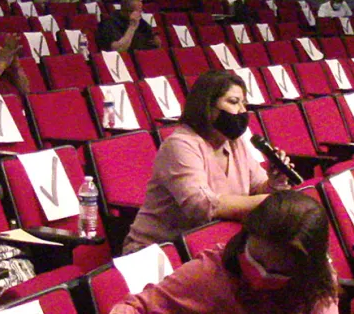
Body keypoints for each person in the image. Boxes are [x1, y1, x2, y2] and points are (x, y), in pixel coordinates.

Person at [123, 71, 294, 252]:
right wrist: (273, 202)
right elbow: (201, 206)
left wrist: (275, 183)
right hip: (160, 250)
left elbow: (258, 187)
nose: (242, 111)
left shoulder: (234, 142)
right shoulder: (180, 144)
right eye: (234, 102)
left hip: (210, 244)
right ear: (207, 106)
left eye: (244, 103)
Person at [112, 191, 338, 314]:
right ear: (245, 237)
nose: (261, 278)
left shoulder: (315, 285)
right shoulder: (209, 272)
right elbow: (135, 307)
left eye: (277, 272)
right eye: (255, 260)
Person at [96, 0, 161, 52]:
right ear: (128, 12)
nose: (140, 14)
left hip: (142, 55)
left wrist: (155, 38)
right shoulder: (108, 24)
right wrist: (132, 27)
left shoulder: (140, 20)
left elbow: (152, 35)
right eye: (138, 12)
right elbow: (119, 49)